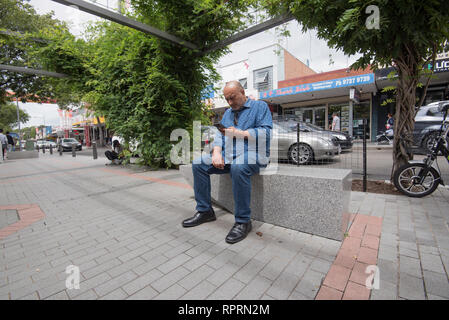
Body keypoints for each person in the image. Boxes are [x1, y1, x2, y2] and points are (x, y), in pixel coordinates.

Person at [182, 80, 272, 244]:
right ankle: (205, 211)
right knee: (198, 163)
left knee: (238, 166)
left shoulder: (260, 107)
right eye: (227, 99)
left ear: (242, 93)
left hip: (254, 154)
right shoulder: (228, 113)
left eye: (233, 98)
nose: (230, 103)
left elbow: (266, 133)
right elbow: (220, 136)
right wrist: (216, 152)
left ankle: (243, 221)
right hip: (230, 154)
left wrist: (241, 133)